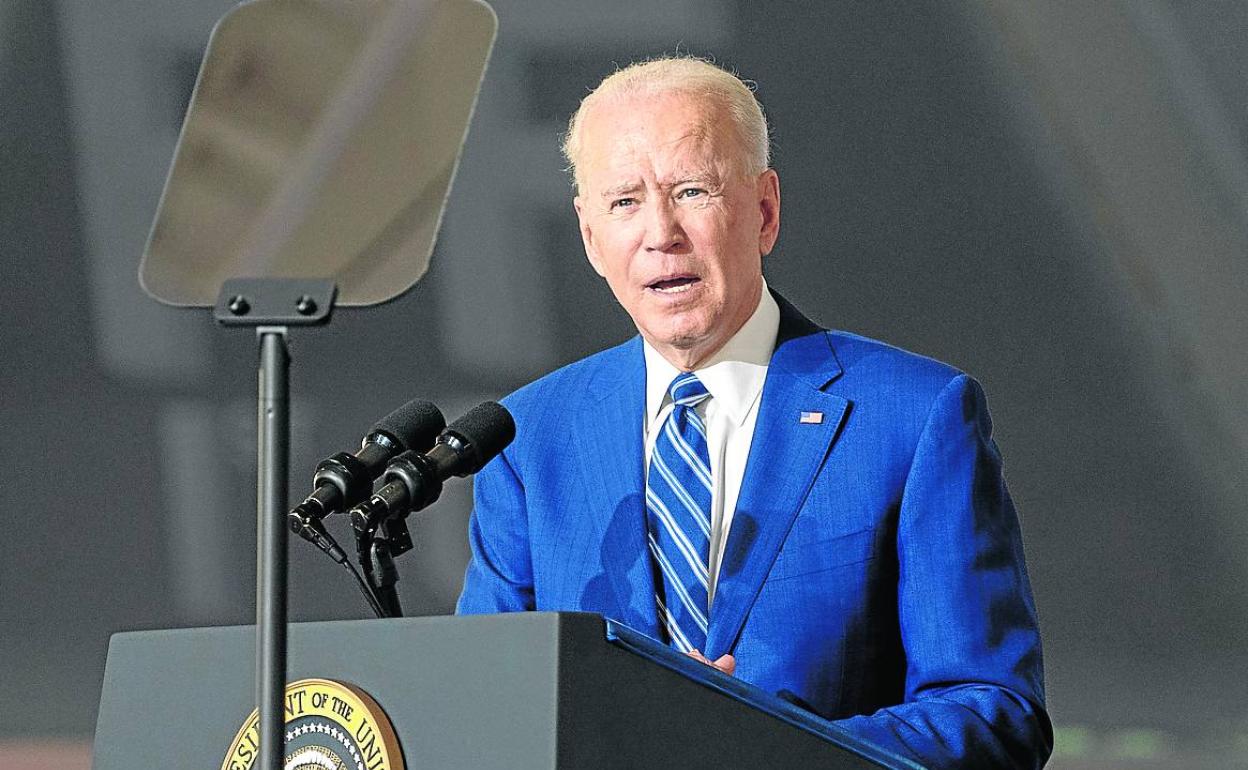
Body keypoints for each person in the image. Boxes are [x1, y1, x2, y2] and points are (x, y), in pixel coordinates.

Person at [457, 56, 1052, 768]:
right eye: (624, 203)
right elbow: (482, 712)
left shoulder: (914, 418)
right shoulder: (528, 441)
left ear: (764, 211)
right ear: (590, 238)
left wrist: (767, 749)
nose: (660, 233)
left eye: (691, 191)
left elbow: (993, 711)